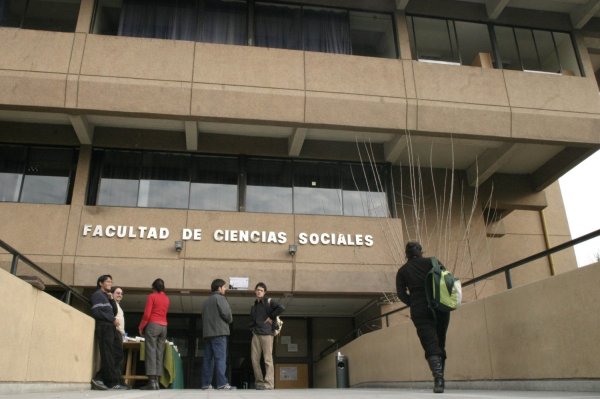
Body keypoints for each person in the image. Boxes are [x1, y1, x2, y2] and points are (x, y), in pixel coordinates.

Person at [396, 242, 450, 394]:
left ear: (406, 254)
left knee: (430, 342)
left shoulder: (403, 271)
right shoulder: (432, 261)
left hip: (419, 308)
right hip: (440, 305)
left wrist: (413, 302)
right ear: (421, 251)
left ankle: (438, 379)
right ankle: (441, 377)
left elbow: (401, 294)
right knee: (440, 341)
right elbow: (446, 280)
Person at [90, 275, 128, 390]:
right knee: (108, 354)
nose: (110, 283)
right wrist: (112, 319)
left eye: (111, 281)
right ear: (100, 283)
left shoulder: (107, 297)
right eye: (107, 281)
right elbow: (97, 312)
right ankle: (111, 382)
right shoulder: (97, 295)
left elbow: (114, 311)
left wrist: (111, 299)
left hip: (112, 327)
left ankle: (100, 378)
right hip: (104, 326)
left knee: (118, 354)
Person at [201, 278, 235, 390]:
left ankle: (206, 384)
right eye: (224, 287)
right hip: (219, 333)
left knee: (208, 359)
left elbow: (203, 318)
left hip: (207, 334)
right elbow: (228, 315)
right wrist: (230, 320)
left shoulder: (206, 301)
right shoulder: (220, 298)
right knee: (220, 359)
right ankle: (222, 383)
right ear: (219, 288)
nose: (225, 289)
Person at [249, 282, 285, 390]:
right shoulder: (254, 305)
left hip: (267, 334)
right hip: (256, 334)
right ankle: (259, 383)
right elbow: (253, 320)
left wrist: (271, 317)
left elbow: (281, 307)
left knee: (267, 360)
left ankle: (269, 384)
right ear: (255, 291)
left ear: (264, 292)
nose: (259, 291)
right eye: (257, 290)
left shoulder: (268, 301)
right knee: (254, 359)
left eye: (261, 290)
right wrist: (252, 329)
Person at [138, 278, 170, 390]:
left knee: (151, 352)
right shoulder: (166, 298)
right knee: (159, 353)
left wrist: (141, 326)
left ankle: (151, 382)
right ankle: (157, 382)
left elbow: (147, 314)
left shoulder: (152, 296)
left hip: (153, 325)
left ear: (154, 287)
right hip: (164, 327)